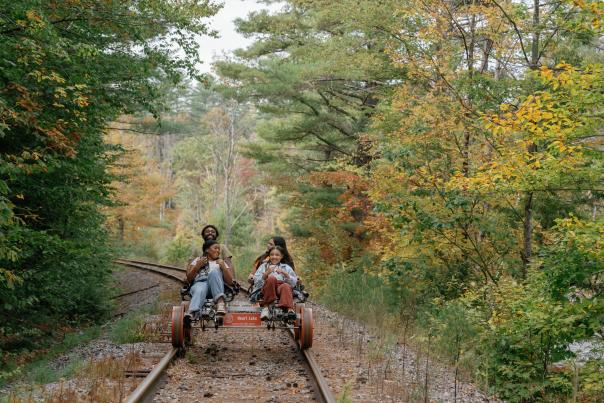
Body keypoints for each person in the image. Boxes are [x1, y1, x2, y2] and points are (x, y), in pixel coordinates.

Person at [185, 240, 234, 320]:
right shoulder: (198, 260)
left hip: (215, 288)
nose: (218, 251)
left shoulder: (221, 262)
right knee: (200, 288)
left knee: (214, 272)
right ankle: (192, 313)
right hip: (200, 283)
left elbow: (230, 281)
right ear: (207, 250)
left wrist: (223, 267)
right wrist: (197, 266)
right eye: (215, 248)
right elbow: (189, 279)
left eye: (219, 249)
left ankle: (220, 303)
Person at [253, 246, 297, 320]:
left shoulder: (286, 267)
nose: (274, 257)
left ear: (281, 256)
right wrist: (266, 274)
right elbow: (256, 283)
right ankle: (266, 308)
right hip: (267, 287)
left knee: (286, 285)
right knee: (271, 278)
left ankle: (290, 310)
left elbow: (293, 283)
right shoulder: (263, 266)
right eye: (272, 255)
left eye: (277, 255)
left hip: (281, 288)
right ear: (269, 256)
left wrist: (285, 274)